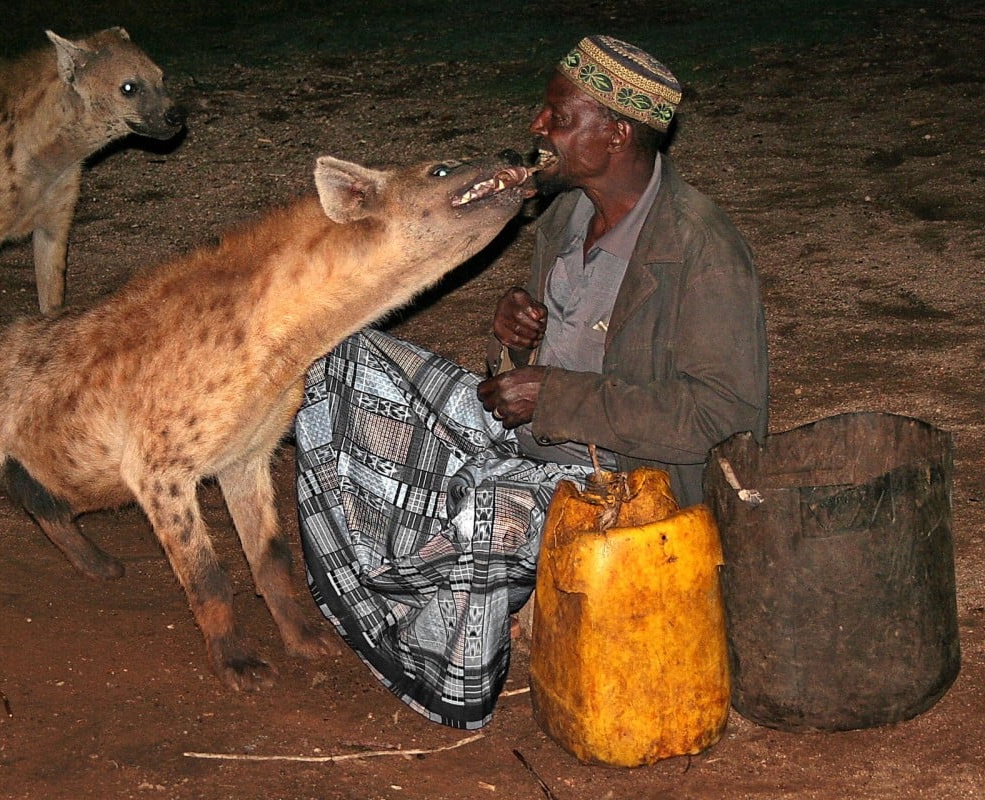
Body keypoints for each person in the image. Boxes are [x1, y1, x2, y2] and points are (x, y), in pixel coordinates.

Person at [294, 35, 768, 730]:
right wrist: (514, 340)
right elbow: (542, 361)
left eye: (558, 116)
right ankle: (390, 587)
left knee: (492, 512)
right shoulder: (567, 214)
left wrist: (555, 396)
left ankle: (446, 661)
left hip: (623, 483)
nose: (538, 128)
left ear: (617, 134)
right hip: (532, 437)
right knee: (337, 355)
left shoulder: (701, 251)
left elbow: (726, 416)